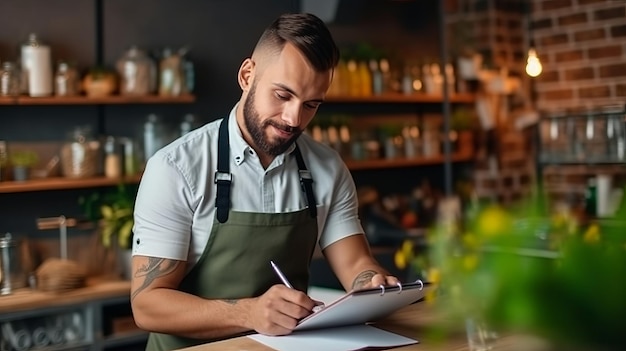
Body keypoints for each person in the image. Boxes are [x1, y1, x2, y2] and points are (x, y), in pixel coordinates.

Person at [130, 12, 399, 351]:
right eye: (283, 95)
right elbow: (147, 305)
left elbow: (355, 263)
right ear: (247, 75)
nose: (294, 119)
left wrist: (372, 285)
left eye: (311, 105)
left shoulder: (327, 168)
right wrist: (250, 312)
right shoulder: (176, 168)